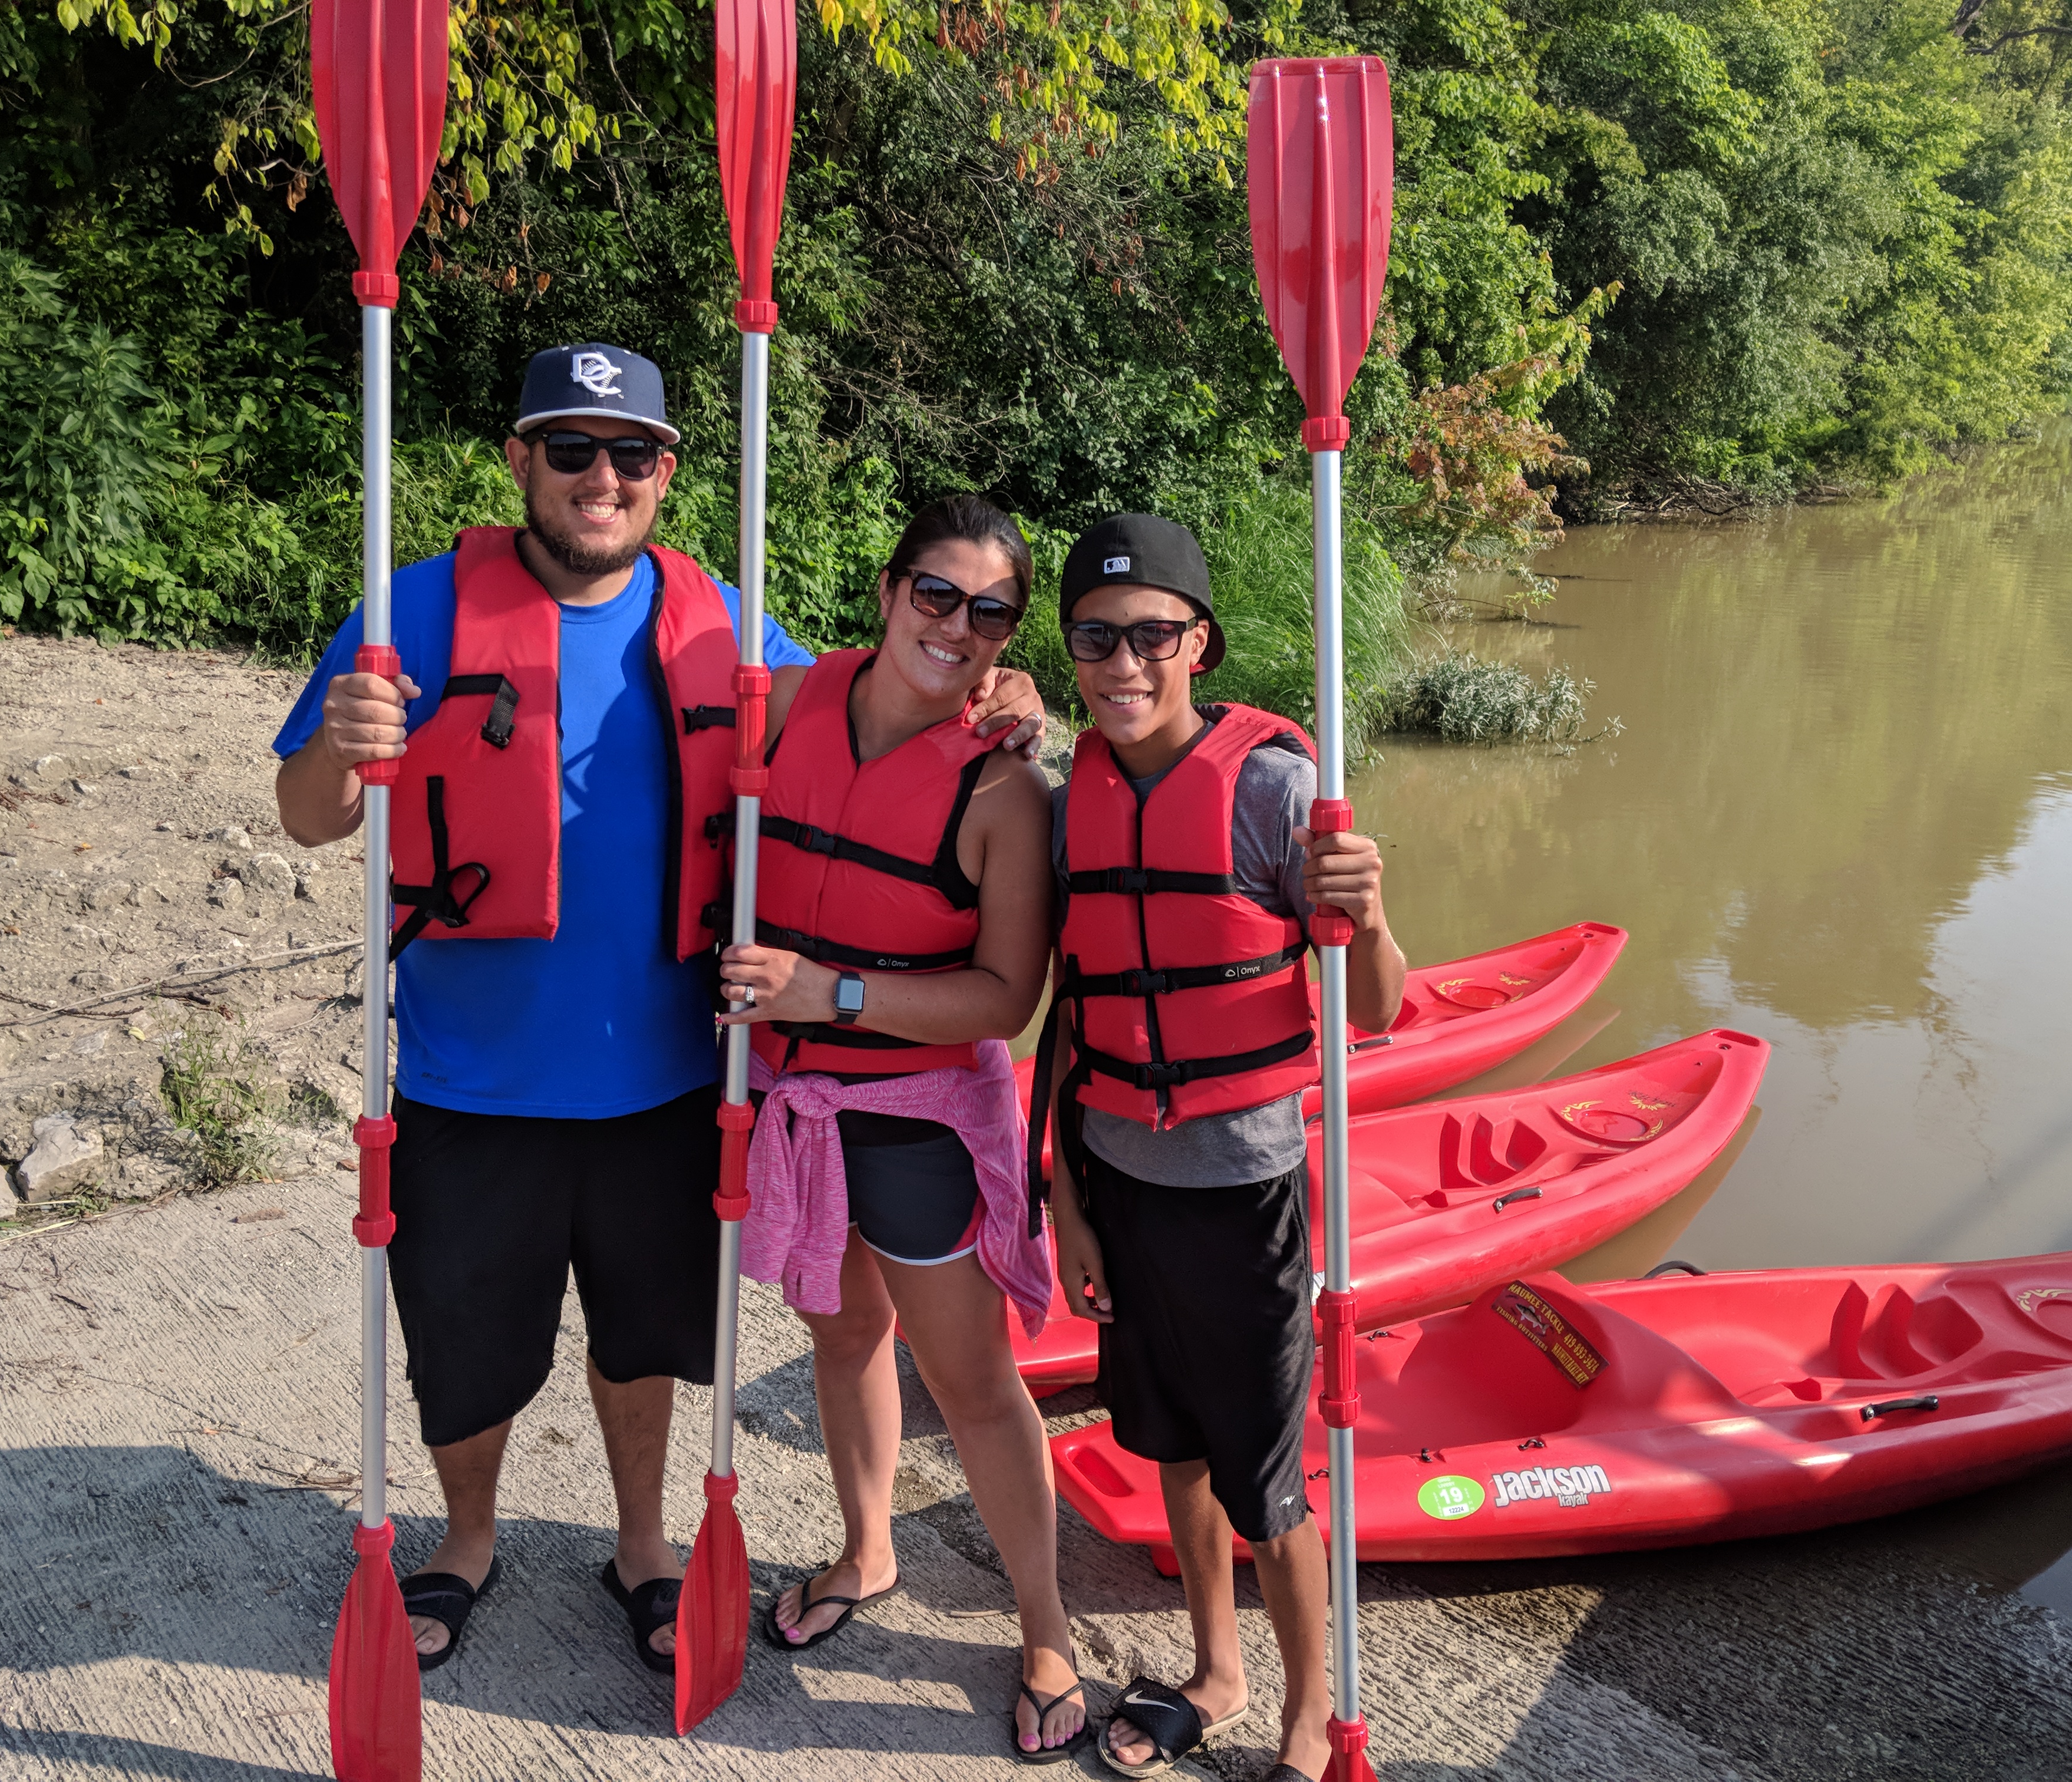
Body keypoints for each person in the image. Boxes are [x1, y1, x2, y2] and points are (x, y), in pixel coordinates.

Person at [272, 345, 1045, 1675]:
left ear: (666, 473)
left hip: (672, 1084)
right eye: (572, 449)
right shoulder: (413, 612)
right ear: (521, 460)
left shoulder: (723, 629)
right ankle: (468, 1538)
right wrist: (342, 749)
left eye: (630, 453)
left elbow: (890, 692)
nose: (603, 478)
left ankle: (642, 1545)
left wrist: (1004, 687)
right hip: (470, 1078)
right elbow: (308, 819)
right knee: (466, 1348)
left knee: (643, 1344)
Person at [717, 496, 1089, 1763]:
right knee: (843, 1335)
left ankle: (1046, 1629)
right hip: (793, 1108)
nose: (958, 627)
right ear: (887, 592)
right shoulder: (787, 700)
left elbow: (1007, 998)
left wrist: (831, 994)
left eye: (992, 614)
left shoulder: (1006, 787)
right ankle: (869, 1551)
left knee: (972, 1382)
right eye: (937, 594)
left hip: (919, 1121)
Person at [1033, 514, 1405, 1782]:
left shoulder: (1274, 795)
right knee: (1174, 1453)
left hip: (1244, 1197)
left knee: (1267, 1483)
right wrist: (1068, 1206)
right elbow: (1071, 1016)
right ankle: (1217, 1670)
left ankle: (1308, 1709)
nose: (1123, 664)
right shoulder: (1066, 804)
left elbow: (1378, 1010)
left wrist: (1368, 914)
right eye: (1095, 638)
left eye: (1152, 636)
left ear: (1200, 643)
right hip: (1120, 1187)